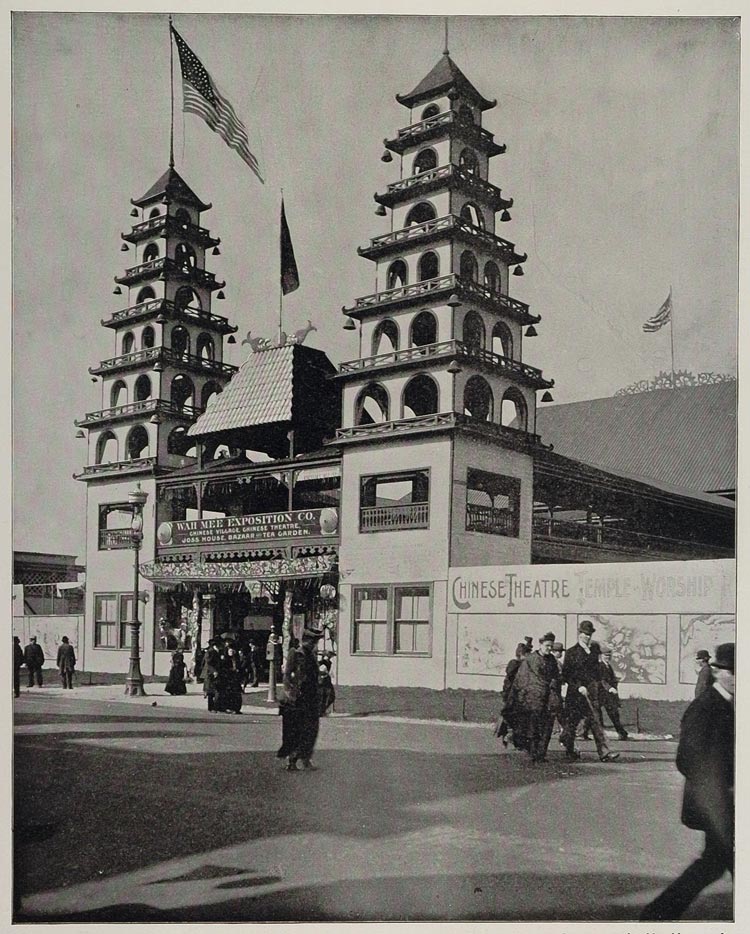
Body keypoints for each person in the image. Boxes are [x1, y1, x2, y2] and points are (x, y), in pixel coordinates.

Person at [641, 642, 734, 920]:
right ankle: (656, 916)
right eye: (733, 671)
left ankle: (656, 915)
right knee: (717, 862)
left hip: (726, 803)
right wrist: (721, 786)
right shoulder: (705, 706)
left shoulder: (731, 704)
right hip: (715, 802)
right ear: (717, 672)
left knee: (714, 863)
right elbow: (687, 758)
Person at [560, 620, 619, 762]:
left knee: (596, 723)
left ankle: (604, 753)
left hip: (592, 694)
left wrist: (601, 685)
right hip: (576, 695)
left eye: (589, 634)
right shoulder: (571, 652)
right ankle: (569, 750)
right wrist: (579, 686)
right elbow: (567, 674)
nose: (587, 637)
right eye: (584, 634)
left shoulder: (594, 650)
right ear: (579, 634)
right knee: (571, 724)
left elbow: (597, 672)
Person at [504, 632, 561, 762]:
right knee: (534, 727)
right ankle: (534, 752)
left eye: (551, 646)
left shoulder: (551, 660)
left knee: (547, 727)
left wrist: (555, 682)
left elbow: (556, 676)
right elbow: (527, 679)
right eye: (547, 645)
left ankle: (541, 754)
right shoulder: (532, 659)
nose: (549, 648)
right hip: (532, 699)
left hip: (548, 699)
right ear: (540, 645)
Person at [277, 626, 323, 771]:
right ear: (305, 640)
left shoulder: (312, 655)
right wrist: (290, 693)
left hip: (310, 698)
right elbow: (287, 675)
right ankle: (292, 760)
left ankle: (305, 759)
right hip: (297, 699)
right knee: (295, 730)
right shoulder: (296, 653)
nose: (313, 644)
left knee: (310, 730)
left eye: (315, 641)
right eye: (312, 641)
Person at [495, 642, 531, 747]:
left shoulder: (523, 664)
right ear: (522, 654)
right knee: (513, 717)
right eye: (527, 653)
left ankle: (515, 739)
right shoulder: (515, 664)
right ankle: (509, 736)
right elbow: (511, 679)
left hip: (519, 695)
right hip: (513, 695)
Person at [598, 646, 629, 740]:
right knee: (597, 715)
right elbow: (602, 680)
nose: (607, 657)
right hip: (601, 694)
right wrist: (610, 688)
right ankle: (584, 733)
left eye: (609, 655)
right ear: (601, 656)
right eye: (605, 655)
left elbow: (610, 679)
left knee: (613, 714)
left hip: (608, 696)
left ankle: (622, 733)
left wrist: (615, 681)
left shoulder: (608, 666)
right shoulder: (600, 666)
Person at [203, 638, 221, 712]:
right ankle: (211, 707)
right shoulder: (211, 652)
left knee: (215, 691)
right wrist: (214, 671)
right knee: (211, 691)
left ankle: (215, 707)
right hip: (210, 674)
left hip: (215, 673)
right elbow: (209, 663)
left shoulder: (216, 652)